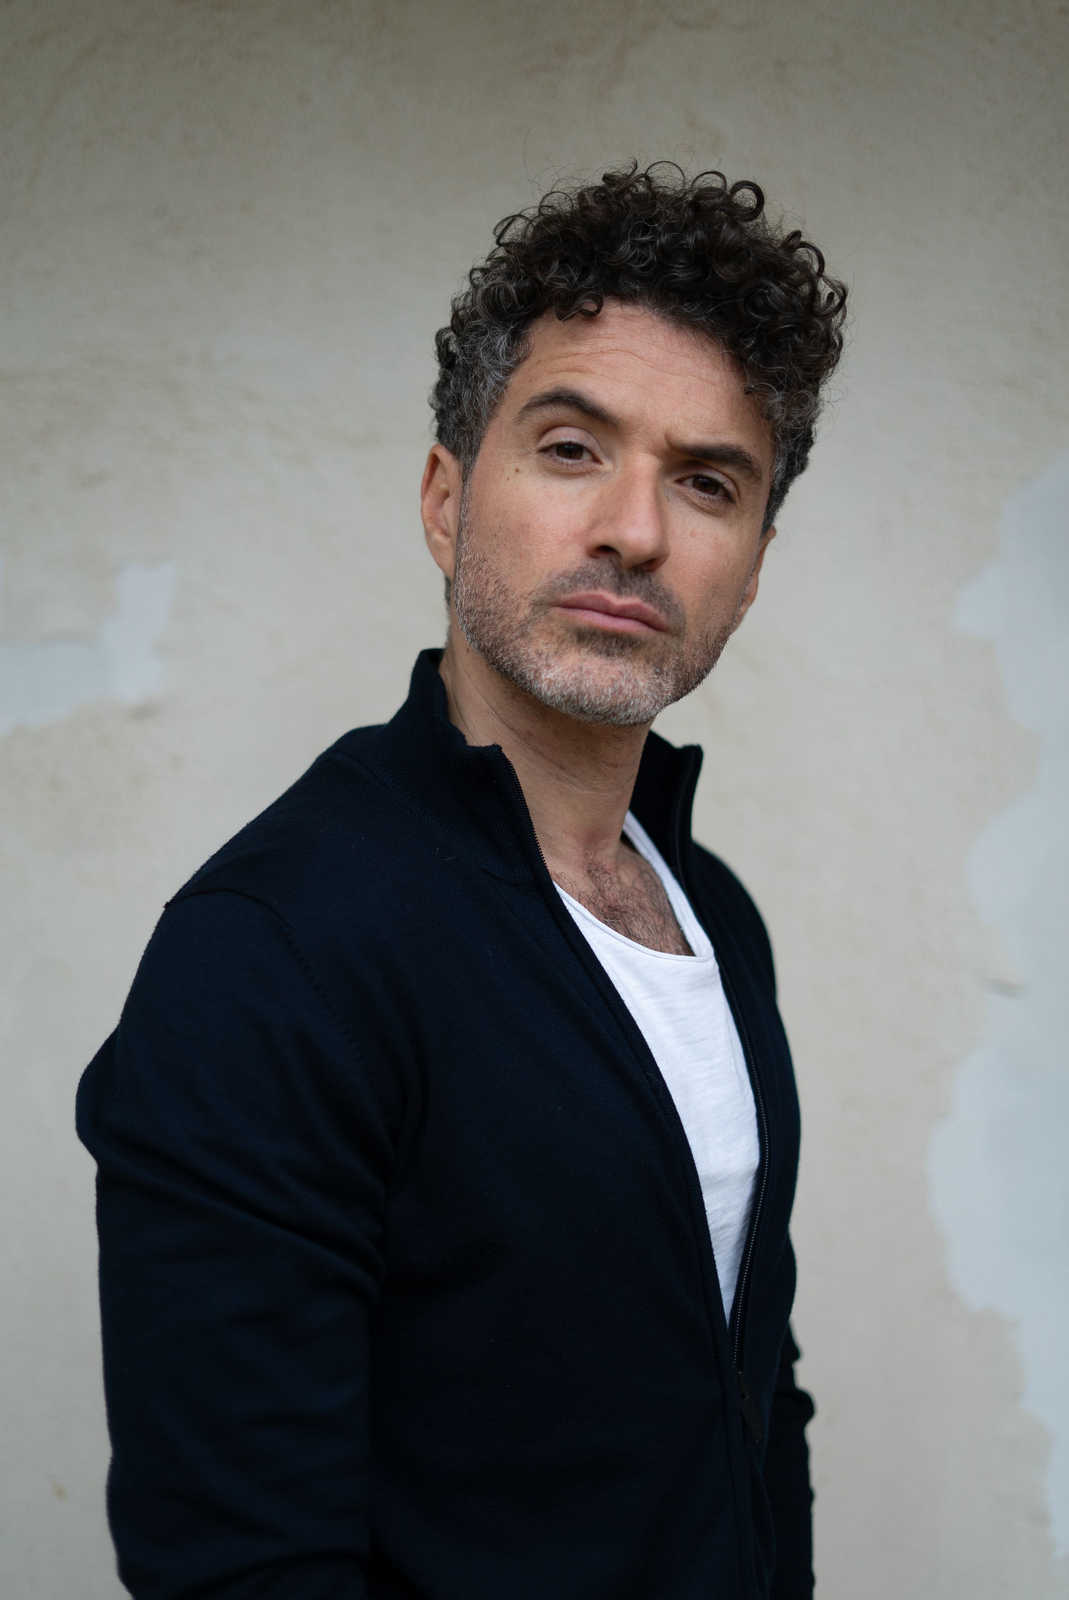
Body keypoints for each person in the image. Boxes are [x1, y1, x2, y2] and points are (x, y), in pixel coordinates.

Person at [77, 162, 847, 1600]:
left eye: (706, 482)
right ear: (446, 501)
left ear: (749, 570)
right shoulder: (276, 953)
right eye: (570, 447)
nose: (634, 529)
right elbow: (241, 1566)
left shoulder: (711, 915)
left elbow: (755, 1396)